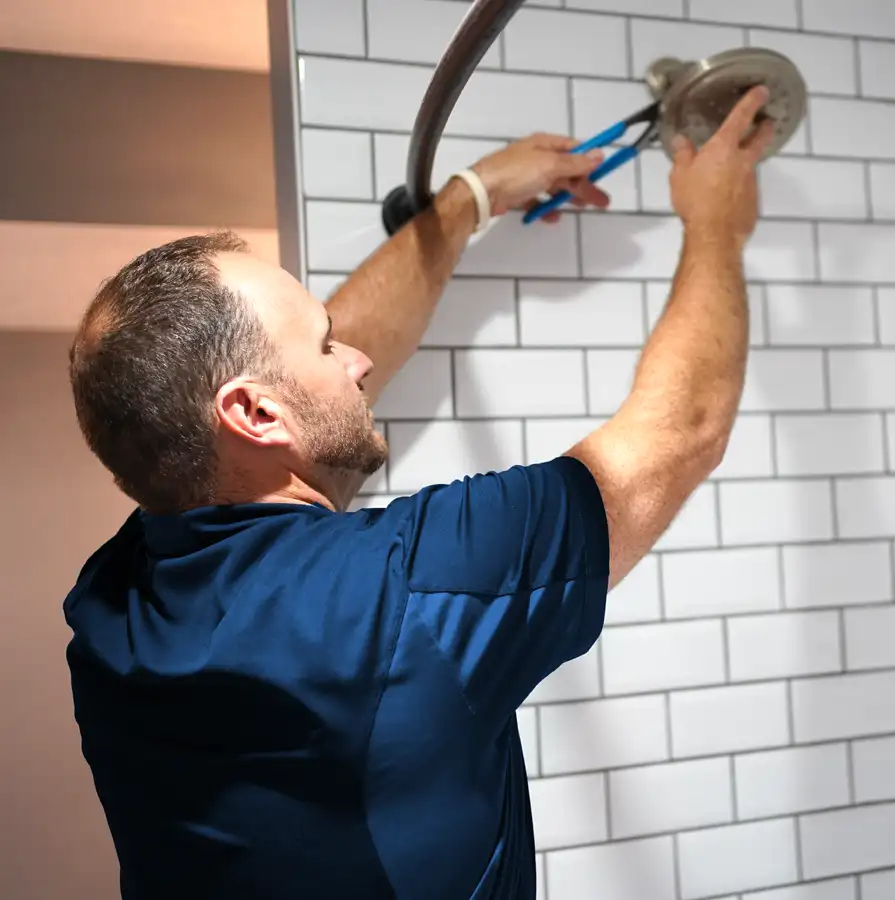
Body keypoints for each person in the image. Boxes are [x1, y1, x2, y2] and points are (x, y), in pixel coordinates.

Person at [63, 85, 774, 900]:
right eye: (329, 346)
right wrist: (718, 221)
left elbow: (291, 394)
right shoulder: (407, 590)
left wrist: (472, 198)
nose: (357, 359)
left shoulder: (111, 605)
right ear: (255, 413)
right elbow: (681, 431)